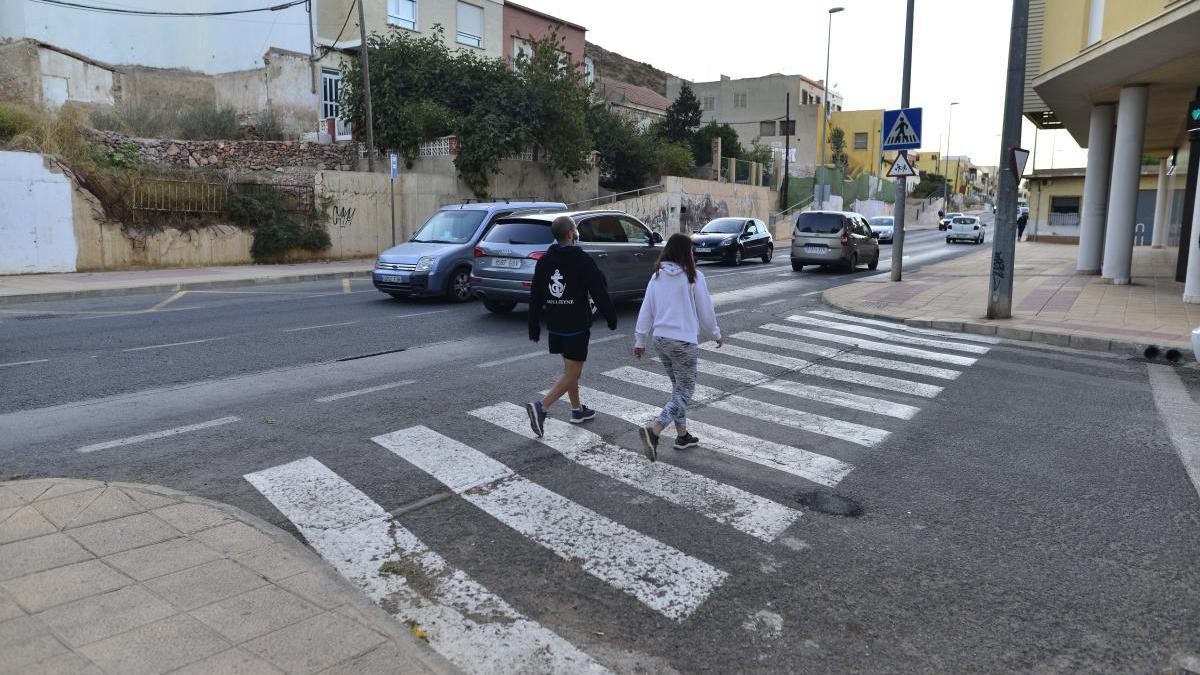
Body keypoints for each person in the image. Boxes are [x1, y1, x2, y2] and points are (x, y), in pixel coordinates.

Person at [632, 233, 722, 461]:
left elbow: (647, 309)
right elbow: (705, 310)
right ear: (686, 253)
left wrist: (640, 339)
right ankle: (654, 430)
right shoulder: (694, 276)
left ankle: (682, 436)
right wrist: (715, 333)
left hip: (660, 340)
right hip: (683, 342)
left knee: (677, 388)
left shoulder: (657, 276)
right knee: (685, 391)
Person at [525, 215, 617, 438]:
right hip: (576, 324)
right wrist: (611, 317)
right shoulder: (581, 260)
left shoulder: (544, 261)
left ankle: (577, 410)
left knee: (570, 371)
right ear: (570, 234)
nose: (576, 233)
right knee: (573, 372)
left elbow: (535, 295)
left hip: (555, 324)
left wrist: (534, 327)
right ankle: (542, 407)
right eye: (575, 230)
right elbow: (598, 290)